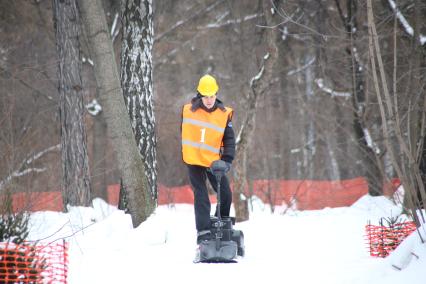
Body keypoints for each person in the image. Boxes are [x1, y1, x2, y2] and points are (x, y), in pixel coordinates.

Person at [181, 74, 236, 244]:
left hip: (214, 161)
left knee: (225, 192)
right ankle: (204, 231)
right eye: (206, 96)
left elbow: (229, 139)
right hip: (195, 159)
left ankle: (224, 223)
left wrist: (226, 160)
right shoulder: (189, 111)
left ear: (216, 94)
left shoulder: (223, 114)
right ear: (200, 95)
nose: (210, 100)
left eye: (212, 96)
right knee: (202, 195)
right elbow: (185, 134)